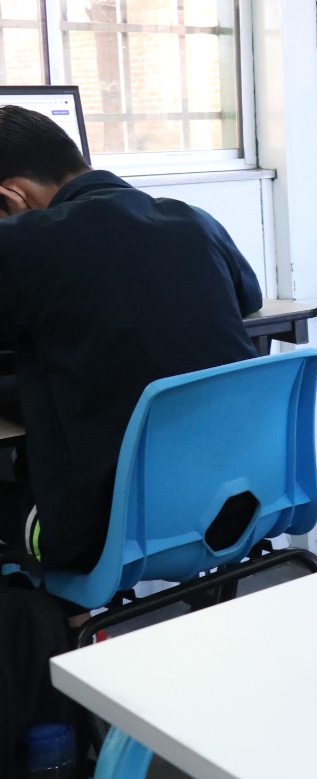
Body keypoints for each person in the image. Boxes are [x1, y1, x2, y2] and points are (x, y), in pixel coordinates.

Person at [0, 106, 262, 569]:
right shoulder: (193, 220)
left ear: (13, 196)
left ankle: (58, 628)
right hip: (236, 503)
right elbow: (249, 298)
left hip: (100, 533)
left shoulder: (23, 240)